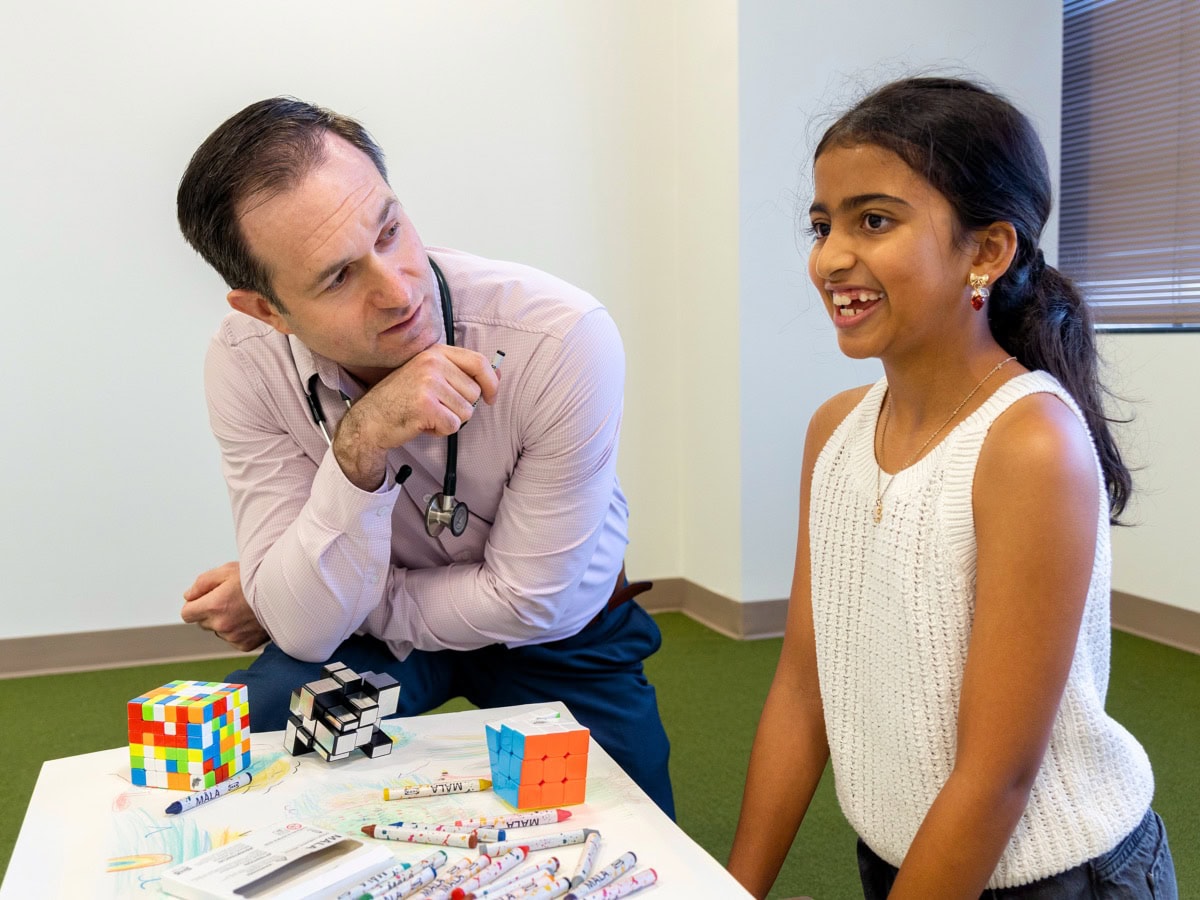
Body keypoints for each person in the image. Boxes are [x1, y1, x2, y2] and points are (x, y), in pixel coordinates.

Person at [726, 77, 1176, 898]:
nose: (830, 258)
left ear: (987, 251)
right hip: (906, 856)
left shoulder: (1030, 445)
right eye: (821, 224)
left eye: (875, 220)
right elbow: (801, 689)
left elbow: (996, 777)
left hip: (1053, 875)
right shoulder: (835, 431)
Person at [174, 97, 674, 817]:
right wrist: (357, 445)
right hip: (380, 639)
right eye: (337, 278)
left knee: (636, 835)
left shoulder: (561, 338)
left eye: (389, 230)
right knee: (247, 752)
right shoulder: (245, 362)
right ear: (266, 310)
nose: (398, 290)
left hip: (559, 632)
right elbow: (309, 630)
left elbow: (531, 600)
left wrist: (281, 590)